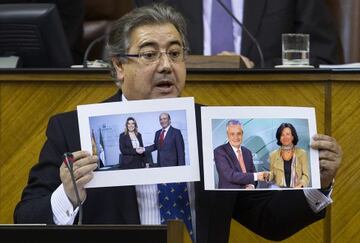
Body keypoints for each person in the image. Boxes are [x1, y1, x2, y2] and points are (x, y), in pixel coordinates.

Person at [14, 3, 342, 243]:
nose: (166, 65)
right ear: (117, 67)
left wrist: (319, 184)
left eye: (175, 53)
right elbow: (26, 219)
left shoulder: (212, 129)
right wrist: (68, 194)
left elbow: (270, 220)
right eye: (148, 54)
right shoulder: (73, 130)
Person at [135, 0, 340, 68]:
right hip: (182, 101)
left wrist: (252, 68)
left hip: (266, 101)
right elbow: (136, 57)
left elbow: (323, 57)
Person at [214, 120, 268, 189]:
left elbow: (252, 173)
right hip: (230, 197)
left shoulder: (247, 152)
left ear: (242, 134)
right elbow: (230, 176)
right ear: (227, 135)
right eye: (232, 134)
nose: (236, 137)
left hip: (249, 196)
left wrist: (251, 186)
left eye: (238, 133)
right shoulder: (220, 151)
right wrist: (256, 176)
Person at [268, 123, 310, 188]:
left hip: (297, 191)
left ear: (292, 137)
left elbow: (305, 176)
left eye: (288, 134)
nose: (285, 137)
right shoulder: (273, 155)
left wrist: (300, 186)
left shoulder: (302, 153)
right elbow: (272, 176)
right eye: (282, 135)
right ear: (279, 138)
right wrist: (266, 176)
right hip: (279, 192)